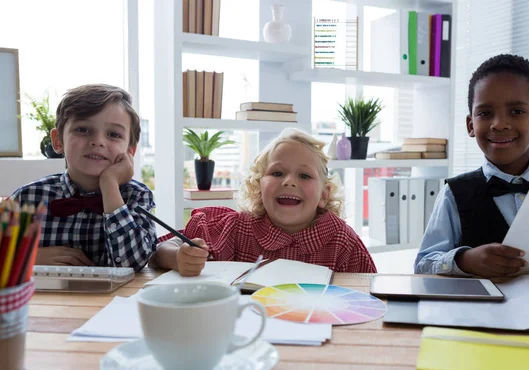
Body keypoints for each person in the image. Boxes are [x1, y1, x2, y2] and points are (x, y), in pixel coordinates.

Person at [415, 54, 529, 278]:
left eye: (516, 112)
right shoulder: (453, 193)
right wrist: (465, 260)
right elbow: (423, 265)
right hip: (481, 313)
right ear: (470, 125)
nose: (499, 124)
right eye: (485, 113)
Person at [151, 128, 376, 275]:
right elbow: (158, 250)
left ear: (324, 195)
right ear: (259, 187)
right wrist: (180, 258)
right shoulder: (235, 229)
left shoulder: (343, 242)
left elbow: (372, 292)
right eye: (277, 173)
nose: (289, 182)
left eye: (304, 176)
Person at [11, 84, 156, 270]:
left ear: (130, 152)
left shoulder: (137, 195)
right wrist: (28, 257)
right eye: (83, 129)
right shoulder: (27, 198)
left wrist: (110, 184)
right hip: (43, 299)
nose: (98, 141)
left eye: (113, 134)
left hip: (117, 299)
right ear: (58, 141)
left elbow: (132, 263)